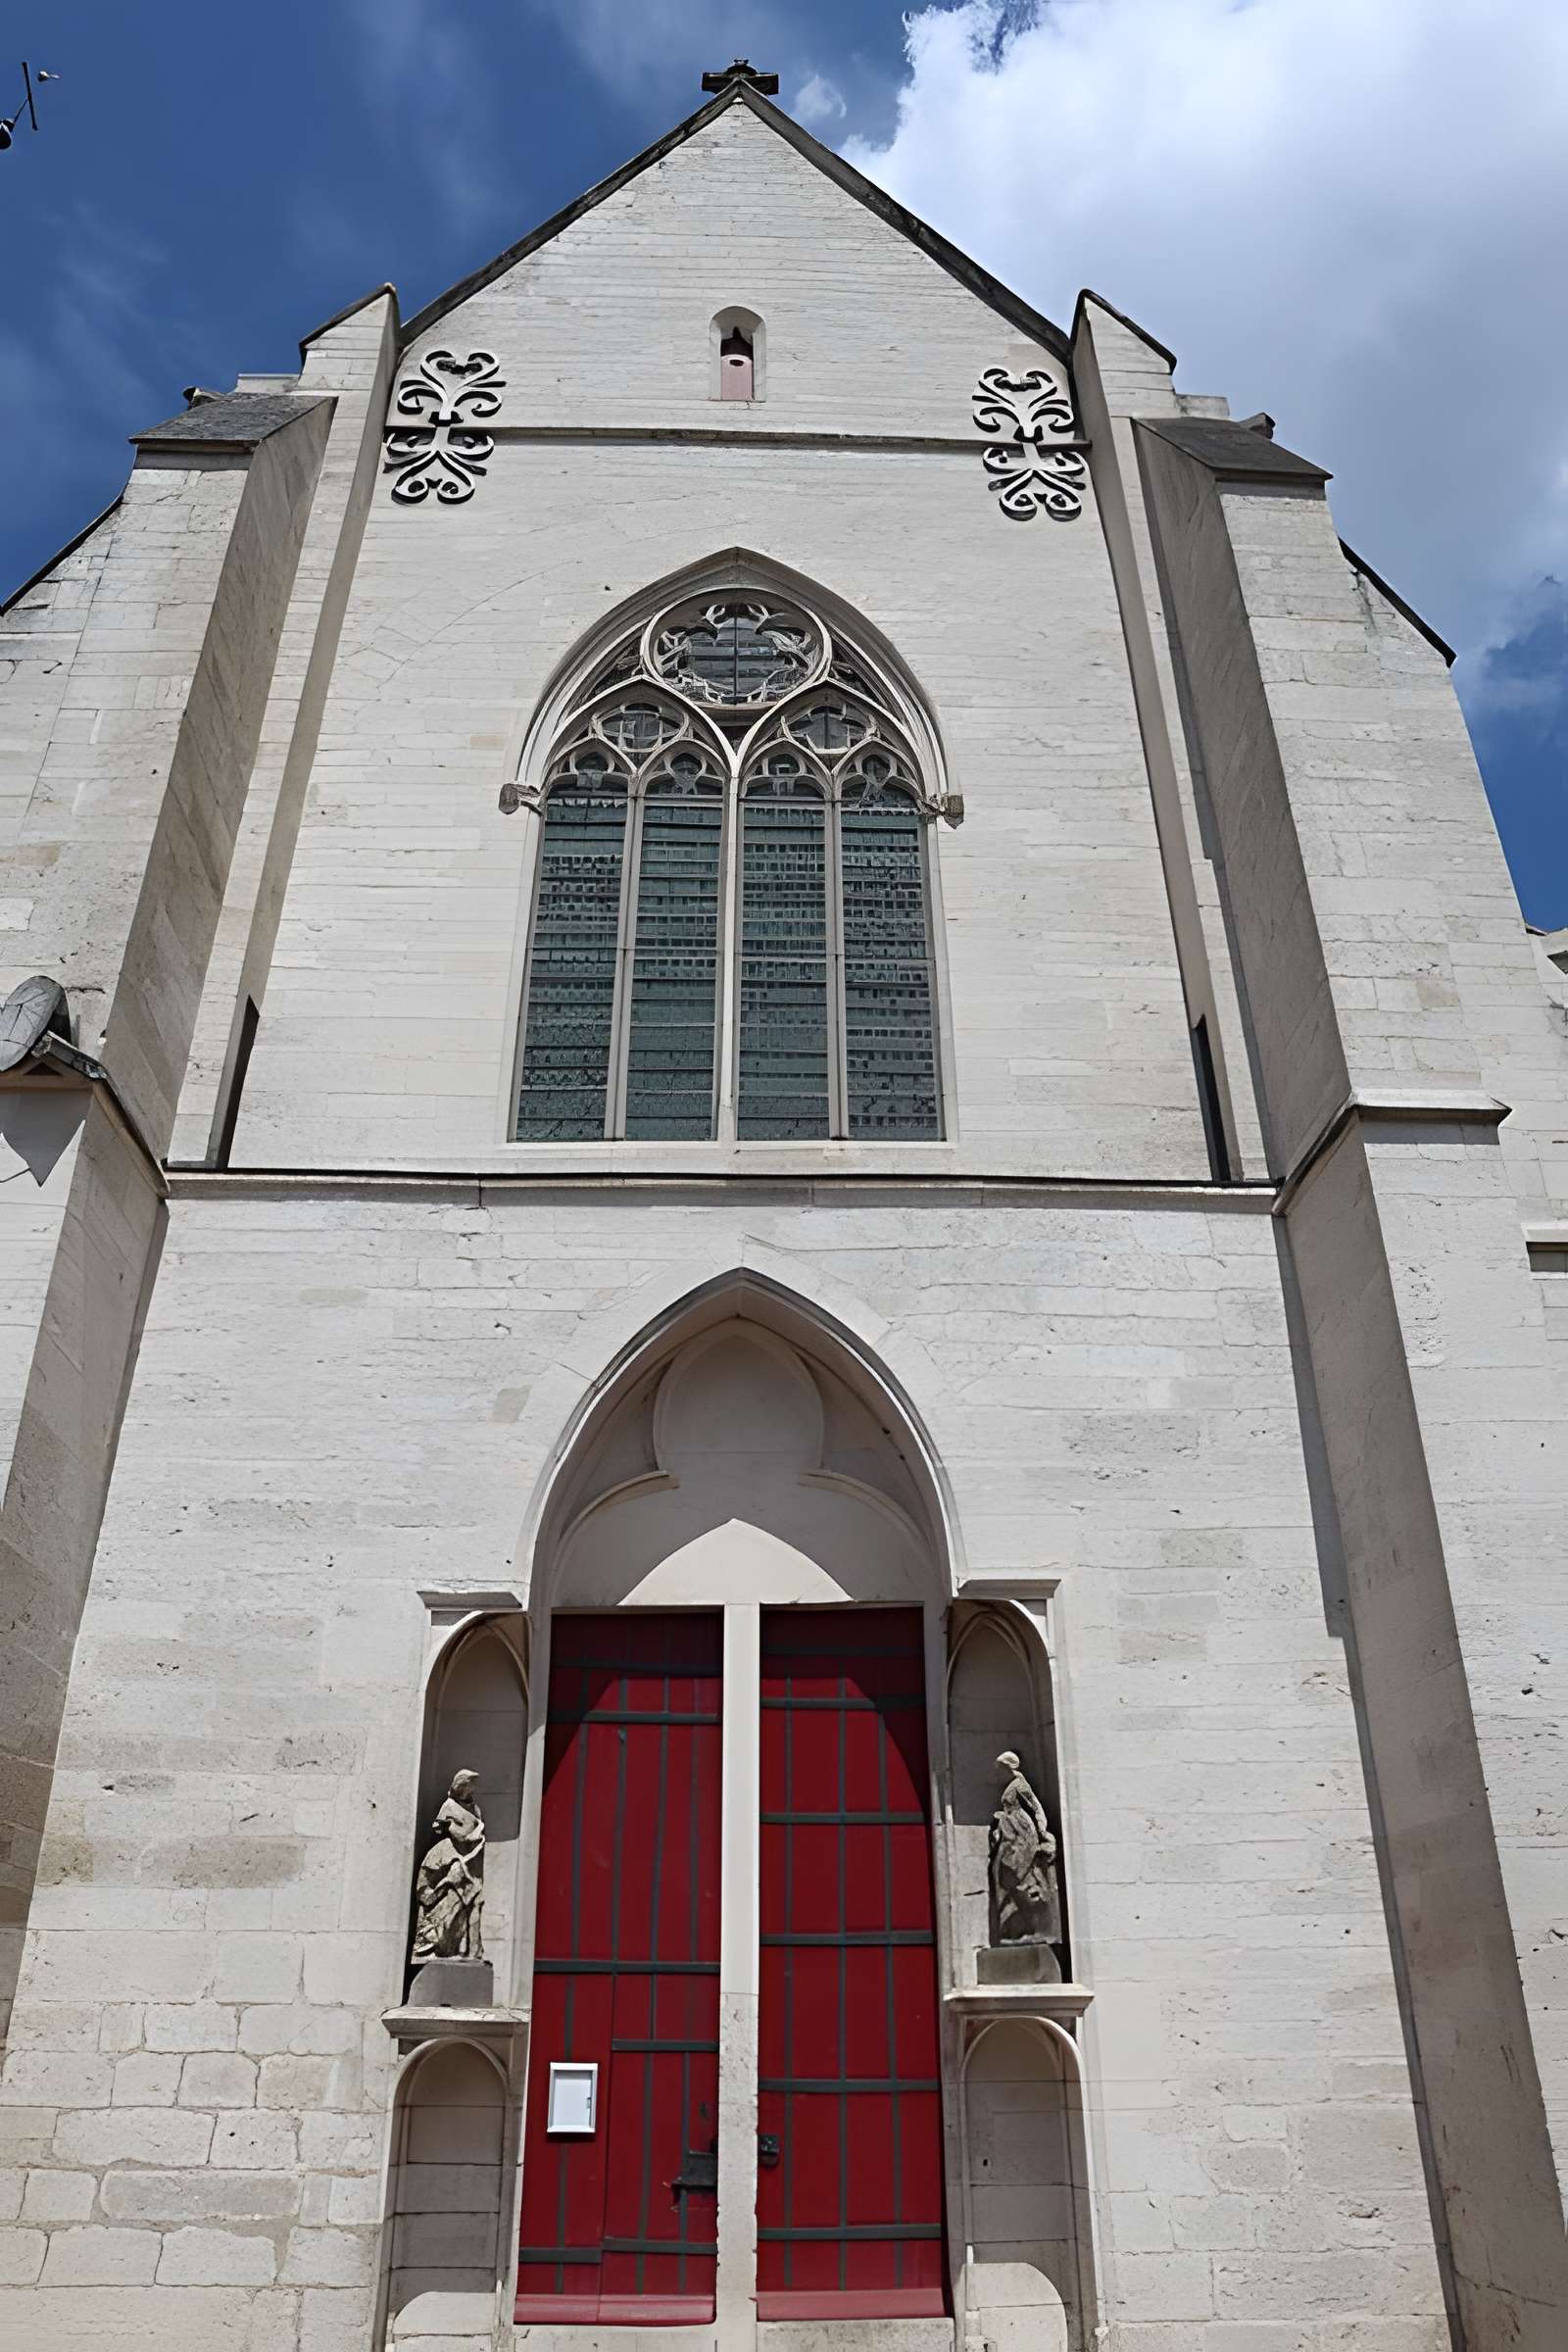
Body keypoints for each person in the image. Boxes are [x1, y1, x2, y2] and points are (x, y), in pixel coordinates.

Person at [411, 1769, 486, 1963]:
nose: (469, 1790)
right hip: (439, 1912)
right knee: (458, 1903)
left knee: (474, 1903)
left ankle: (470, 1950)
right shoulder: (440, 1852)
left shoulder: (474, 1809)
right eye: (467, 1786)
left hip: (470, 1860)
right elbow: (424, 1892)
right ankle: (444, 1947)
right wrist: (447, 1883)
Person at [989, 1750, 1061, 1946]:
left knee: (1020, 1875)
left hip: (1023, 1833)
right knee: (1009, 1875)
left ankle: (1035, 1925)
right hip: (1011, 1833)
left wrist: (1043, 1832)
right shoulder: (1009, 1785)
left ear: (1008, 1768)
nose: (998, 1773)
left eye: (1001, 1769)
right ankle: (1024, 1924)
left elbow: (1035, 1807)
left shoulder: (1020, 1785)